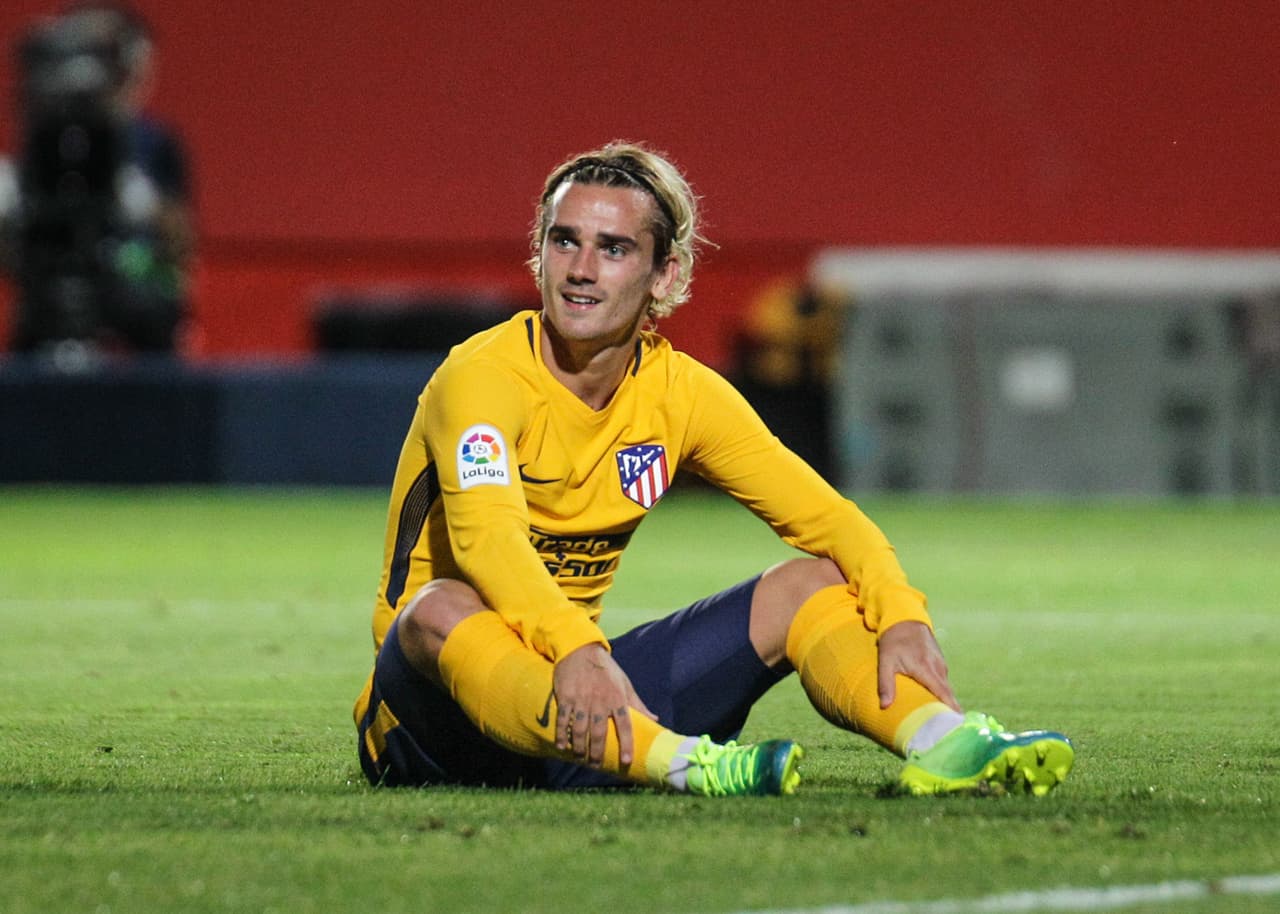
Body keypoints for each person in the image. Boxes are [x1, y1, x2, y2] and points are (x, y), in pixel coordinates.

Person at [352, 142, 1075, 797]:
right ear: (539, 253)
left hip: (584, 703)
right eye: (564, 240)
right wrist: (575, 647)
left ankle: (945, 743)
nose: (580, 269)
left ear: (664, 273)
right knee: (440, 604)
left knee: (815, 582)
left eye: (613, 249)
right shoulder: (479, 378)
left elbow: (828, 519)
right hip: (430, 722)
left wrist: (903, 615)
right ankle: (687, 767)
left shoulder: (683, 394)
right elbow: (488, 541)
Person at [2, 2, 194, 356]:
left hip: (130, 294)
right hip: (45, 293)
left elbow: (178, 244)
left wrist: (145, 215)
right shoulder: (40, 140)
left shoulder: (154, 142)